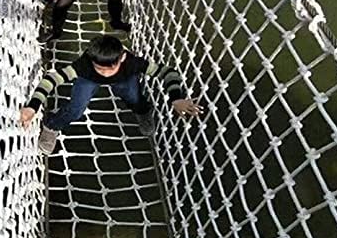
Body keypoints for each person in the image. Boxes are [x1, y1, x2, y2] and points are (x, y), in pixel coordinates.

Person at [19, 35, 203, 154]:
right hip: (88, 80)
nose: (104, 73)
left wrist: (176, 98)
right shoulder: (85, 66)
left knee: (135, 99)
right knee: (76, 109)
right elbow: (51, 80)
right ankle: (51, 126)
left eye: (110, 68)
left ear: (122, 58)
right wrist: (32, 106)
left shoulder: (132, 63)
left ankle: (143, 113)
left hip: (124, 78)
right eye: (99, 68)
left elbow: (169, 73)